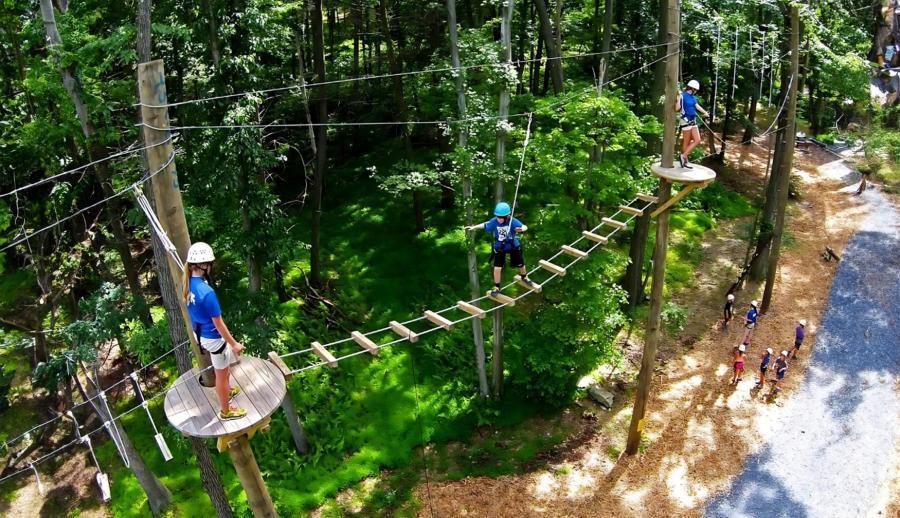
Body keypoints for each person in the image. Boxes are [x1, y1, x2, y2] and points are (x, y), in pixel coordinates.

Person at [182, 242, 247, 421]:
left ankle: (226, 389)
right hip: (213, 338)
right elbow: (219, 324)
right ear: (203, 265)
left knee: (223, 369)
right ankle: (226, 410)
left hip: (200, 333)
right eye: (210, 263)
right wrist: (234, 344)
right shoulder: (207, 292)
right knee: (220, 373)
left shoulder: (188, 284)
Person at [465, 202, 536, 296]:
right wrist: (474, 227)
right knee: (497, 268)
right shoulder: (494, 221)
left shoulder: (512, 221)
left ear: (507, 216)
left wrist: (522, 229)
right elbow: (486, 224)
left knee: (520, 263)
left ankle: (524, 277)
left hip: (512, 245)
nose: (499, 219)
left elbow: (524, 226)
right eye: (498, 217)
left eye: (501, 217)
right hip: (500, 246)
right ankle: (497, 286)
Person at [674, 79, 710, 169]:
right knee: (687, 141)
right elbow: (677, 108)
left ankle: (684, 156)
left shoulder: (693, 98)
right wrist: (678, 98)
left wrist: (705, 112)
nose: (696, 91)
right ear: (692, 88)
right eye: (696, 90)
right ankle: (685, 160)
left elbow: (697, 106)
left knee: (697, 140)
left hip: (692, 120)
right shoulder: (682, 96)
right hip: (685, 120)